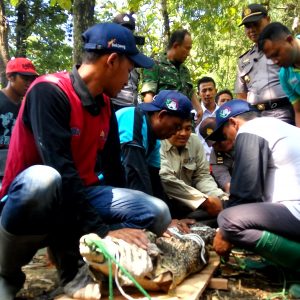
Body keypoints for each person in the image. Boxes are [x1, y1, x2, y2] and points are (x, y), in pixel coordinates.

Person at [0, 23, 172, 299]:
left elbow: (114, 172)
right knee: (45, 180)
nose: (130, 80)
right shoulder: (49, 91)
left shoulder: (105, 105)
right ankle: (7, 270)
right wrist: (104, 230)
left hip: (77, 195)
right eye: (129, 71)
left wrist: (118, 224)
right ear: (112, 61)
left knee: (157, 212)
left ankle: (90, 260)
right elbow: (62, 172)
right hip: (30, 200)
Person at [206, 100, 300, 294]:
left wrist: (223, 232)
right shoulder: (277, 127)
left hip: (295, 211)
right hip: (292, 210)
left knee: (229, 220)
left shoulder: (253, 128)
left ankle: (296, 264)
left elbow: (246, 194)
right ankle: (280, 262)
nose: (227, 143)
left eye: (224, 135)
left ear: (234, 123)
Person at [116, 89, 193, 200]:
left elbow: (154, 180)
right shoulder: (132, 118)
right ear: (161, 115)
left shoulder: (155, 140)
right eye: (176, 126)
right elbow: (134, 172)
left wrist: (169, 216)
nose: (176, 132)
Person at [159, 116, 227, 226]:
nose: (183, 133)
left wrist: (219, 197)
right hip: (165, 201)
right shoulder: (159, 143)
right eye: (178, 128)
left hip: (191, 204)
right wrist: (204, 201)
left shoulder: (194, 141)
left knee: (225, 211)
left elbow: (202, 176)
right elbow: (166, 179)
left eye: (188, 128)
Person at [235, 4, 295, 125]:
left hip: (284, 113)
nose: (251, 29)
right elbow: (241, 97)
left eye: (255, 24)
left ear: (268, 19)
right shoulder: (243, 60)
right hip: (255, 118)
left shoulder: (285, 46)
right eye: (247, 26)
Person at [140, 29, 202, 122]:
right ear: (176, 45)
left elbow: (190, 91)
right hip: (166, 125)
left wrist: (199, 108)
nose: (188, 54)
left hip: (185, 124)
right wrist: (153, 122)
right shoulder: (154, 65)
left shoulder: (184, 70)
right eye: (187, 48)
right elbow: (148, 97)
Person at [0, 58, 38, 180]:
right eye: (25, 78)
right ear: (10, 77)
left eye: (32, 80)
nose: (29, 83)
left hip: (19, 168)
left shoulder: (27, 107)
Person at [258, 22, 300, 127]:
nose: (274, 61)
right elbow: (299, 111)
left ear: (290, 40)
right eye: (270, 58)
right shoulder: (285, 75)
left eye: (276, 54)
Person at [111, 13, 143, 111]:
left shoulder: (135, 56)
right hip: (113, 105)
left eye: (129, 32)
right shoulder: (107, 52)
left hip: (131, 107)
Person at [199, 117, 233, 194]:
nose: (219, 145)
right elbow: (223, 178)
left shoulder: (244, 140)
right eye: (214, 143)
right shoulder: (216, 156)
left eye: (220, 139)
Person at [195, 76, 219, 161]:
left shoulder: (223, 113)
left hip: (221, 162)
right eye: (204, 91)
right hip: (199, 163)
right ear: (198, 93)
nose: (208, 93)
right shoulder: (194, 114)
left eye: (210, 89)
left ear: (216, 91)